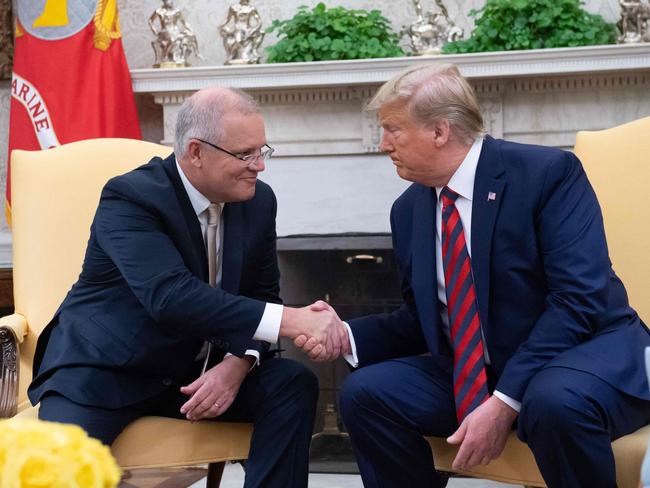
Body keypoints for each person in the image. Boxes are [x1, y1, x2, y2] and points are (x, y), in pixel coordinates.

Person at [297, 63, 650, 487]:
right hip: (491, 366)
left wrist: (503, 401)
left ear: (440, 131)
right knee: (369, 393)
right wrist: (345, 336)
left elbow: (578, 301)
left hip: (588, 354)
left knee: (552, 401)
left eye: (392, 129)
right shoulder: (408, 210)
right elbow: (424, 319)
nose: (382, 144)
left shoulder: (547, 174)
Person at [29, 86, 346, 487]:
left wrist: (237, 363)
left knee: (290, 384)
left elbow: (263, 295)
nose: (259, 166)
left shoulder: (258, 201)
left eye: (261, 151)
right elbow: (170, 297)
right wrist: (296, 322)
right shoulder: (131, 197)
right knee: (56, 476)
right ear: (196, 152)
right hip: (104, 370)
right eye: (244, 154)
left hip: (193, 376)